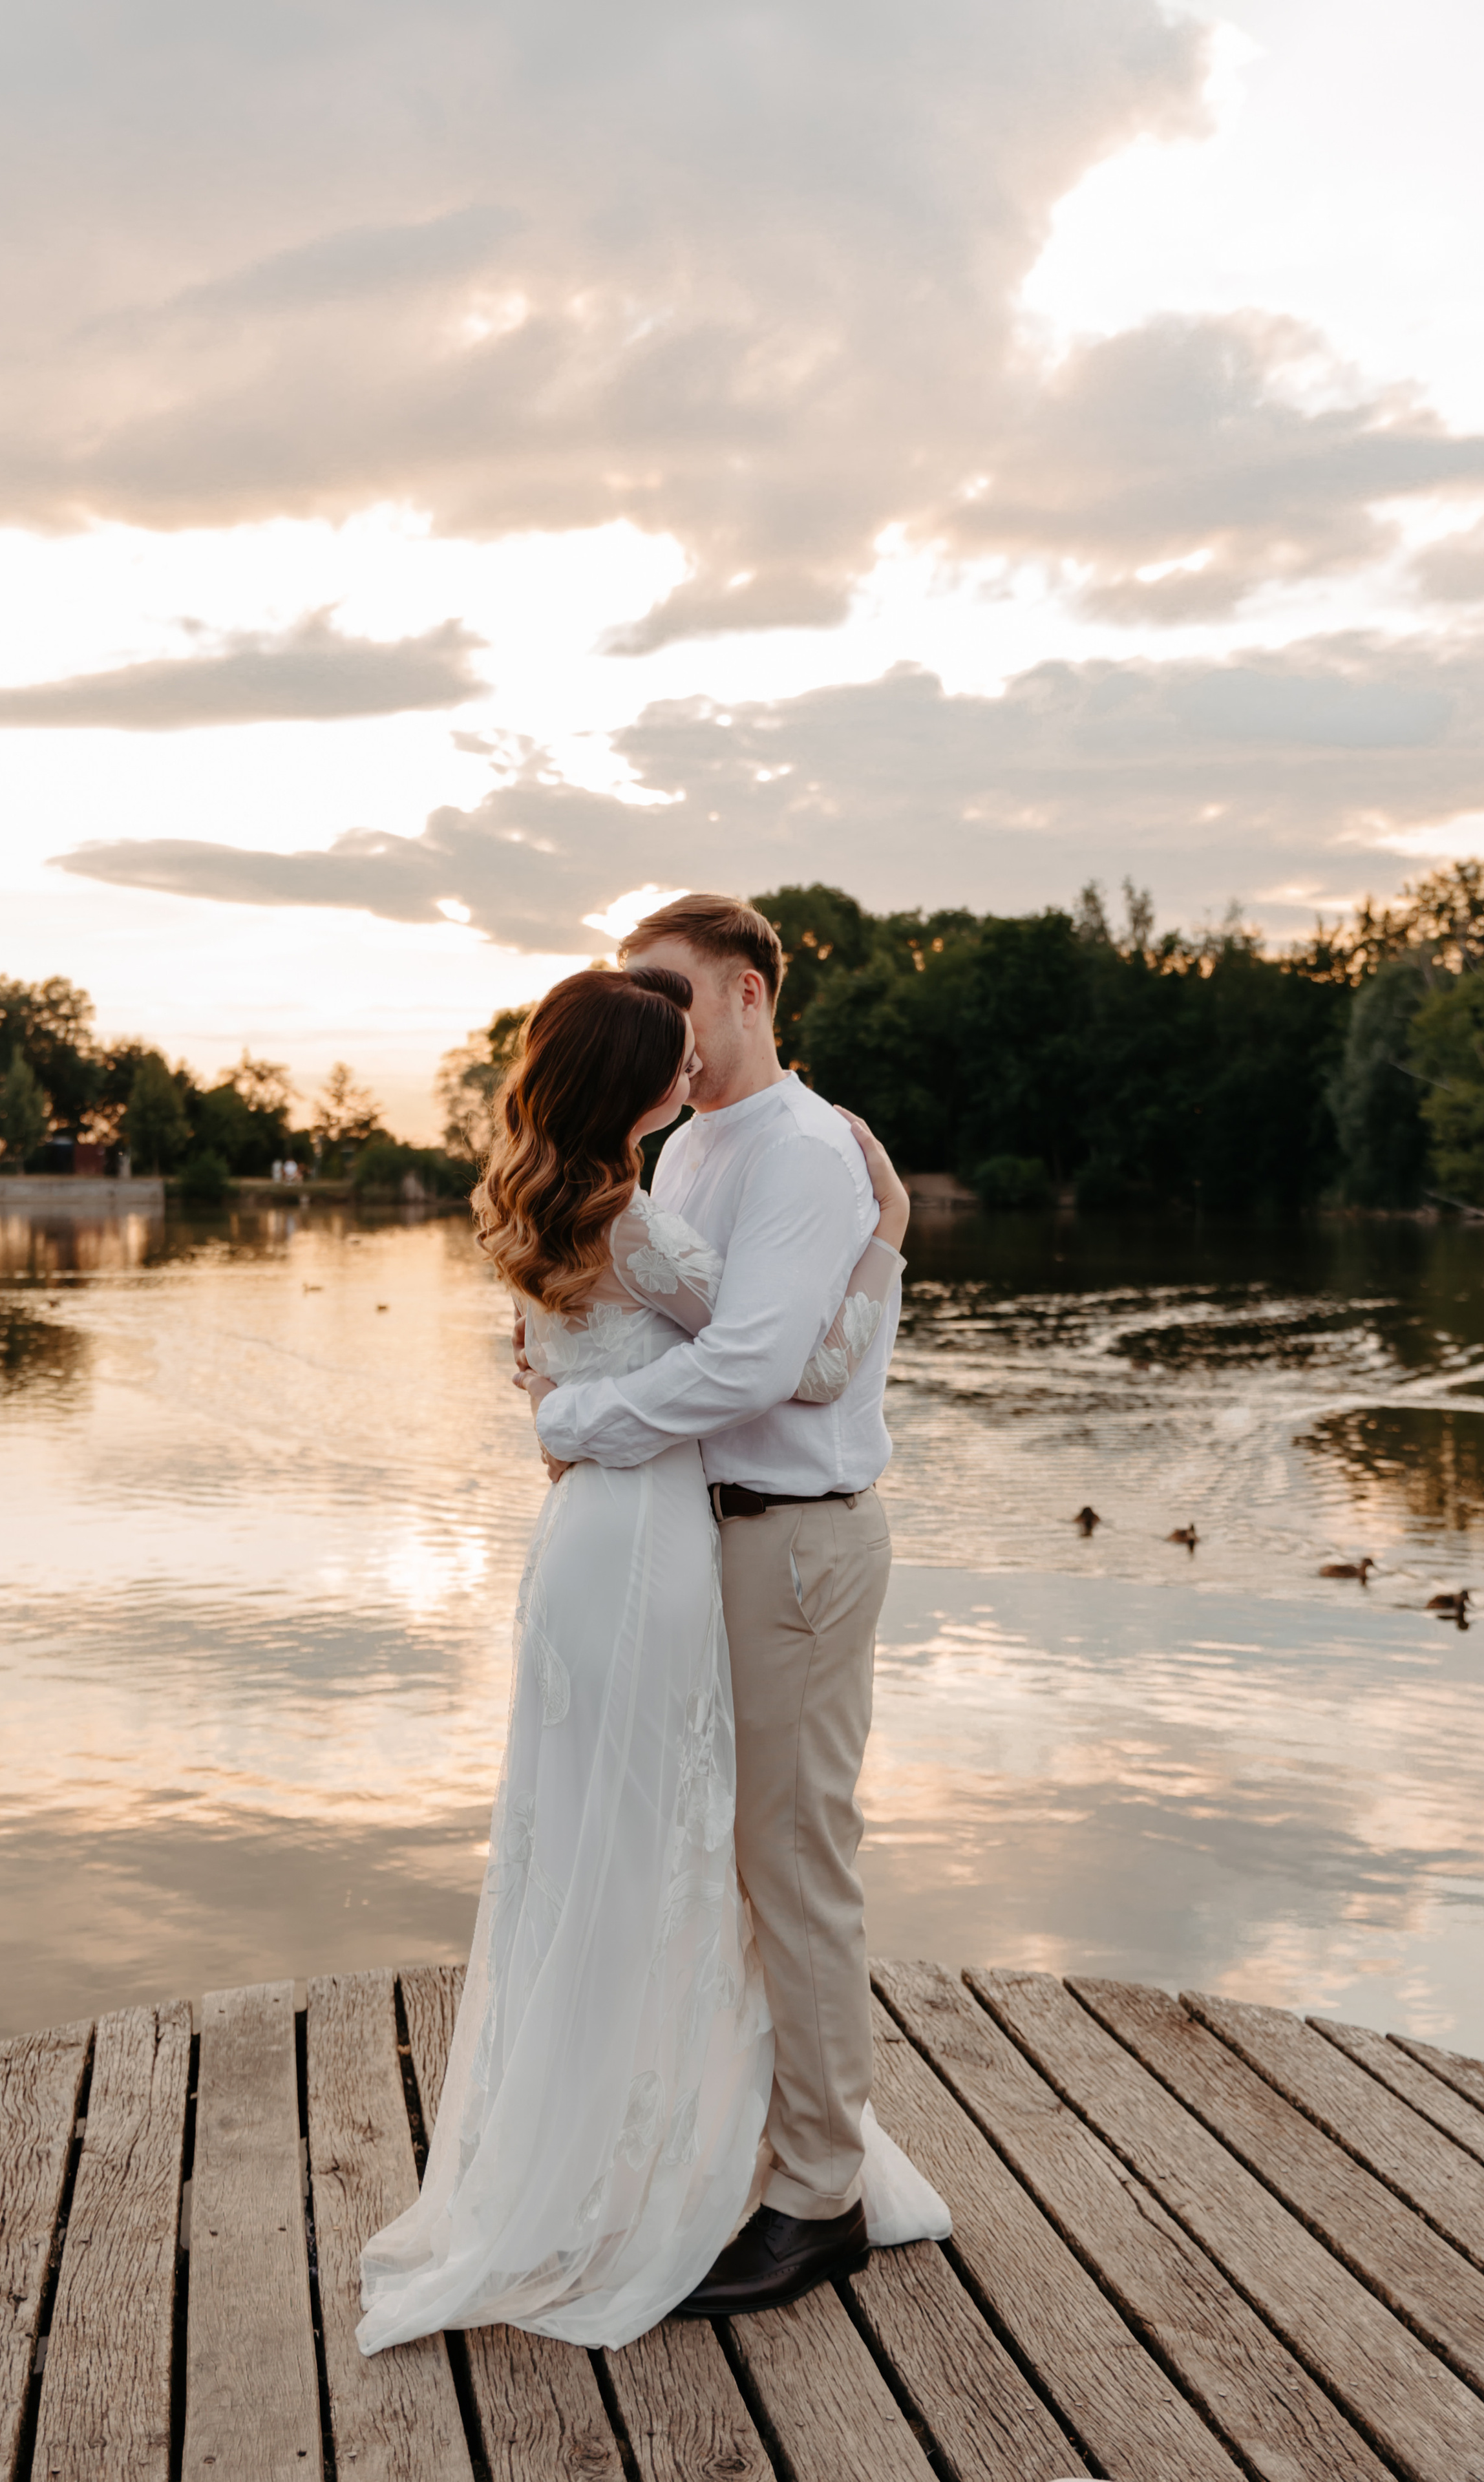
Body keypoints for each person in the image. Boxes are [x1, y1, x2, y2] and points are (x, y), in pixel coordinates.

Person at [357, 954, 946, 2354]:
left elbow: (569, 1364)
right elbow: (791, 1365)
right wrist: (889, 1234)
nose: (690, 1065)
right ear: (633, 1085)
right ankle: (672, 2156)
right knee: (661, 1840)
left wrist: (565, 1409)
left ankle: (618, 2146)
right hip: (641, 1542)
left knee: (595, 1839)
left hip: (585, 1545)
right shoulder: (645, 1217)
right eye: (664, 1053)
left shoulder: (549, 1204)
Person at [531, 893, 930, 2316]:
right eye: (632, 992)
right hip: (692, 1546)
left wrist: (583, 1420)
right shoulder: (690, 1144)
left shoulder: (806, 1153)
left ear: (750, 992)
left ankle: (819, 2194)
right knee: (709, 1860)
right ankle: (738, 2147)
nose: (653, 1018)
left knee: (792, 1861)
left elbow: (765, 1367)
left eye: (673, 991)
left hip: (793, 1545)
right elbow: (705, 1330)